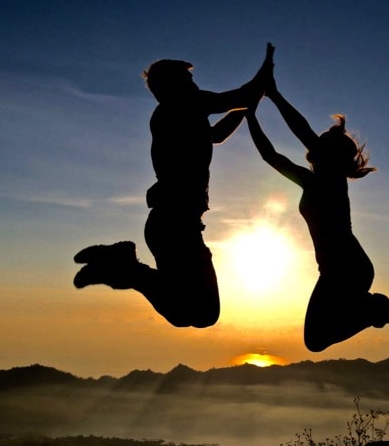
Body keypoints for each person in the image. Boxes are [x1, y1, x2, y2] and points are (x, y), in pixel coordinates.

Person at [74, 43, 275, 328]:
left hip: (171, 223)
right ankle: (129, 269)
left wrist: (244, 108)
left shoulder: (177, 113)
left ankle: (127, 267)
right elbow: (242, 95)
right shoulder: (182, 104)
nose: (195, 84)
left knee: (191, 313)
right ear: (172, 85)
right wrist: (265, 73)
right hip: (175, 223)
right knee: (201, 313)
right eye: (189, 79)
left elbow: (216, 134)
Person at [245, 74, 389, 352]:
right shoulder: (316, 180)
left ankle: (374, 309)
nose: (314, 142)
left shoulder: (328, 181)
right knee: (315, 340)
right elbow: (272, 156)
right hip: (342, 270)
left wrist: (269, 100)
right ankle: (373, 309)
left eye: (321, 142)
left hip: (346, 271)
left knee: (316, 340)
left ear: (328, 154)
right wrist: (253, 113)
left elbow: (294, 134)